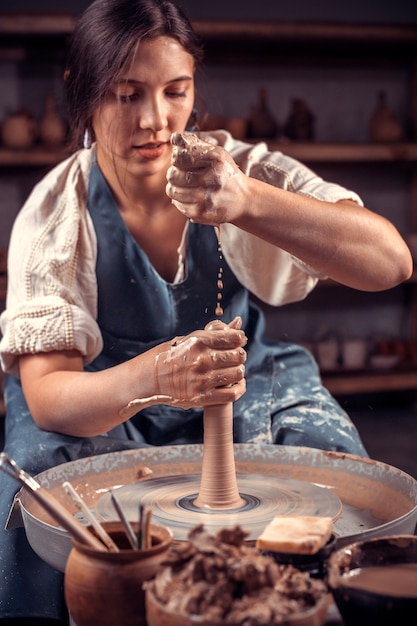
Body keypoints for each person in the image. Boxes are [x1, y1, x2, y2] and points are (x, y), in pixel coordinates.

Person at [0, 0, 412, 622]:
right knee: (36, 487)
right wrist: (158, 379)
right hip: (112, 395)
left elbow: (391, 262)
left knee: (327, 461)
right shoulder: (58, 209)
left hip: (245, 377)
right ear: (81, 92)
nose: (155, 120)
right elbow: (52, 396)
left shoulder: (238, 168)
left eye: (175, 90)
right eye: (125, 94)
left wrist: (248, 200)